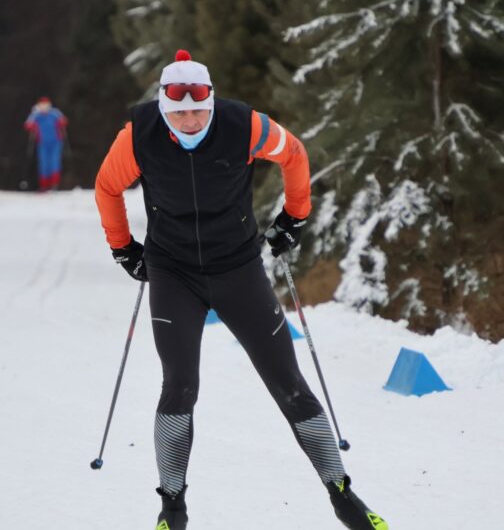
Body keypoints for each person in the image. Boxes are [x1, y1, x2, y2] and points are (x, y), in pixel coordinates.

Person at [94, 50, 388, 530]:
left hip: (238, 269)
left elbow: (293, 153)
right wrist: (124, 248)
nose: (190, 120)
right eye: (179, 112)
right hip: (174, 274)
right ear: (165, 110)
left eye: (199, 110)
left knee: (289, 384)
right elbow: (107, 187)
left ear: (211, 103)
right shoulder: (138, 134)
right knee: (180, 384)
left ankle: (343, 496)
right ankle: (172, 507)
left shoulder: (244, 125)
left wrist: (294, 216)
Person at [24, 97, 69, 191]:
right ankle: (44, 185)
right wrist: (32, 125)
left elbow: (64, 121)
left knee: (54, 162)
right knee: (44, 164)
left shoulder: (55, 113)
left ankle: (54, 184)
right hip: (42, 143)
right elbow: (27, 124)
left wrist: (61, 123)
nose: (44, 107)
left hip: (56, 142)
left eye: (46, 105)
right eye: (42, 105)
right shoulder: (36, 115)